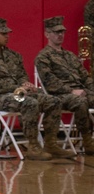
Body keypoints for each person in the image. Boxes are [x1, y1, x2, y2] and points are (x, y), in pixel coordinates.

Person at [0, 18, 70, 161]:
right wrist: (18, 87)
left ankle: (51, 144)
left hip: (17, 93)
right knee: (29, 103)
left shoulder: (13, 56)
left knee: (53, 101)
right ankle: (33, 146)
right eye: (3, 33)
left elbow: (22, 76)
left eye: (7, 33)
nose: (7, 36)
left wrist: (26, 84)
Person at [35, 15, 94, 154]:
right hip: (59, 95)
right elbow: (49, 82)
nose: (60, 35)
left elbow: (85, 76)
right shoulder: (43, 57)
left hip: (81, 92)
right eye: (56, 32)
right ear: (47, 34)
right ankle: (88, 143)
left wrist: (91, 89)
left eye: (62, 32)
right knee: (80, 102)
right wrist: (71, 91)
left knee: (85, 98)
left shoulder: (70, 56)